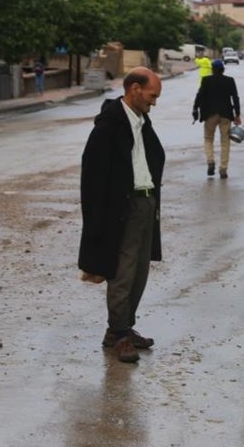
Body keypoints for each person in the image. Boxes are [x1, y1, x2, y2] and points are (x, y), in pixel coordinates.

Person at [78, 67, 165, 364]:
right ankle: (120, 334)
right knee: (122, 273)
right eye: (152, 96)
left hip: (146, 203)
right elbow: (91, 179)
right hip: (123, 208)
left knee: (140, 271)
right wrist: (96, 223)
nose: (154, 102)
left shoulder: (142, 122)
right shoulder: (108, 127)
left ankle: (119, 329)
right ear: (135, 89)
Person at [192, 59, 242, 179]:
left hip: (209, 114)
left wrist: (195, 109)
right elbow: (235, 98)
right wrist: (237, 114)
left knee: (208, 139)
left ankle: (210, 162)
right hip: (226, 114)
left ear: (212, 70)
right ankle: (223, 169)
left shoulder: (206, 80)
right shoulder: (230, 81)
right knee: (225, 142)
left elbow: (199, 95)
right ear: (223, 69)